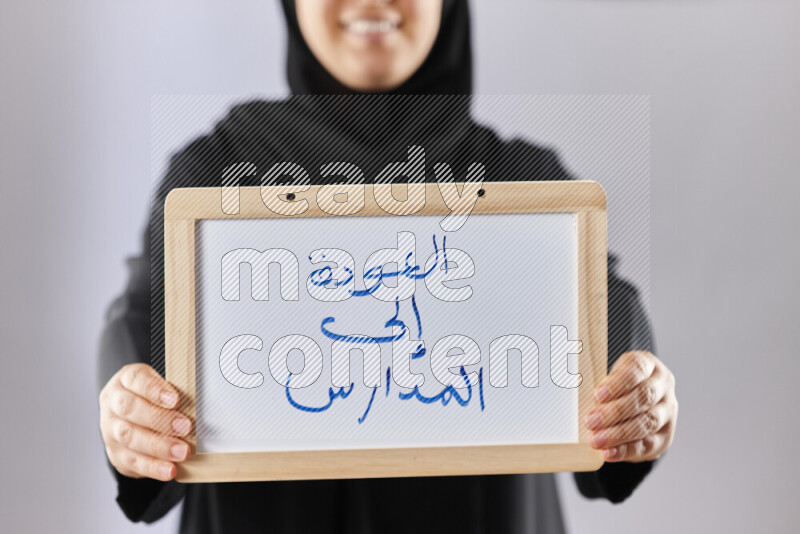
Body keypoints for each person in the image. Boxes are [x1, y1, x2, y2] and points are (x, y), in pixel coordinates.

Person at [98, 1, 678, 532]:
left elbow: (608, 325)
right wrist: (133, 413)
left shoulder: (528, 185)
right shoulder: (215, 174)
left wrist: (635, 400)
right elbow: (144, 323)